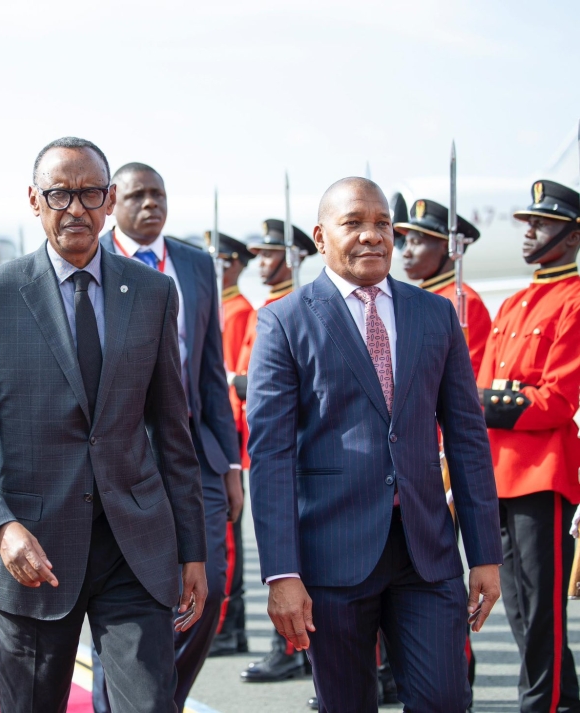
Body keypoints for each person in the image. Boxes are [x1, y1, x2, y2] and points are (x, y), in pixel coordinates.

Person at [0, 137, 207, 713]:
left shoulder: (153, 293)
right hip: (33, 552)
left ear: (109, 203)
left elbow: (172, 432)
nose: (75, 209)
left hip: (136, 546)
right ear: (34, 201)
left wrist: (193, 550)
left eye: (89, 194)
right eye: (60, 194)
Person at [247, 177, 502, 712]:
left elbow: (467, 438)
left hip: (426, 556)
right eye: (353, 224)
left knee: (444, 701)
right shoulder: (285, 321)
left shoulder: (434, 314)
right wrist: (282, 573)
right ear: (320, 237)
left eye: (382, 224)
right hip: (330, 562)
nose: (372, 236)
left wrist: (484, 554)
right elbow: (269, 456)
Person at [92, 162, 241, 711]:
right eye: (137, 196)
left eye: (159, 195)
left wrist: (230, 465)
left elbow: (210, 369)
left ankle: (158, 700)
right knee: (125, 605)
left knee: (212, 585)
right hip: (122, 457)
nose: (151, 205)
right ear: (113, 203)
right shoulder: (94, 259)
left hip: (195, 451)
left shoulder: (197, 265)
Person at [477, 179, 580, 712]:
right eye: (528, 221)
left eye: (541, 223)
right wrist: (500, 395)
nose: (529, 231)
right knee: (515, 604)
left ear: (571, 235)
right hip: (499, 471)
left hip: (543, 472)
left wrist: (491, 398)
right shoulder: (516, 302)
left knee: (543, 610)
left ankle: (540, 705)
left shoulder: (575, 299)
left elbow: (557, 400)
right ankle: (561, 700)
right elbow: (497, 387)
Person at [235, 219, 318, 683]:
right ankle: (289, 647)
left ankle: (294, 649)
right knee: (282, 557)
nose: (261, 262)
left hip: (299, 448)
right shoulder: (270, 308)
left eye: (269, 254)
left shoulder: (297, 309)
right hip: (261, 440)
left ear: (296, 256)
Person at [210, 232, 255, 658]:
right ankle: (228, 627)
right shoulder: (217, 307)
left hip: (230, 433)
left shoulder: (240, 311)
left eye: (221, 260)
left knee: (227, 537)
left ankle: (227, 627)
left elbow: (238, 378)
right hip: (215, 430)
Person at [395, 198, 491, 373]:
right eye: (406, 243)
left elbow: (469, 373)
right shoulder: (410, 298)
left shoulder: (463, 301)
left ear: (446, 247)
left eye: (416, 243)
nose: (406, 252)